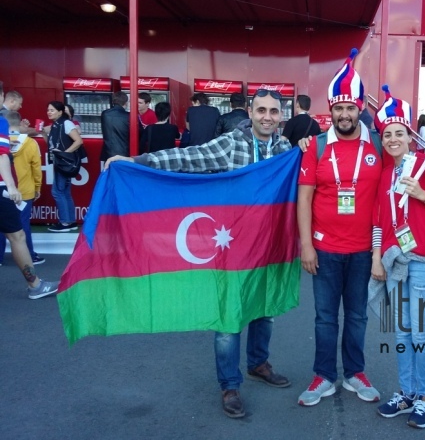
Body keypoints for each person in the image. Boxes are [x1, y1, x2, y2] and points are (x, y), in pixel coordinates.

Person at [106, 89, 292, 419]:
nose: (267, 116)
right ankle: (230, 385)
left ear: (281, 115)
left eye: (274, 111)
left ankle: (258, 364)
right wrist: (136, 161)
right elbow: (188, 157)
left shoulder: (284, 149)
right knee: (229, 317)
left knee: (265, 308)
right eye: (261, 110)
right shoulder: (232, 143)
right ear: (249, 112)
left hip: (267, 247)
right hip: (232, 248)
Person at [297, 49, 382, 407]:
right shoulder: (314, 147)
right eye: (338, 108)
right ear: (330, 110)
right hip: (325, 249)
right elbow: (304, 199)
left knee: (359, 315)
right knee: (325, 317)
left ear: (361, 108)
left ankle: (355, 372)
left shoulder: (380, 144)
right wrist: (306, 245)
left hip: (364, 249)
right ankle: (324, 376)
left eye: (351, 107)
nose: (344, 114)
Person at [369, 86, 425, 429]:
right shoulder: (385, 174)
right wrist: (377, 257)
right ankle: (406, 393)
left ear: (410, 135)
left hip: (424, 260)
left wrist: (422, 194)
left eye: (398, 133)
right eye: (387, 134)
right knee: (402, 333)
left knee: (421, 334)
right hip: (395, 260)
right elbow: (379, 220)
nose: (392, 139)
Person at [0, 113, 58, 297]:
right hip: (3, 189)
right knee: (17, 236)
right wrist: (10, 185)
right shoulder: (2, 123)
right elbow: (2, 156)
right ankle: (35, 285)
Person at [0, 111, 44, 266]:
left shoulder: (3, 140)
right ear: (19, 123)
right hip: (23, 190)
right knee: (22, 226)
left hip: (4, 188)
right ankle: (30, 256)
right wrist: (37, 187)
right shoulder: (31, 143)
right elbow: (36, 169)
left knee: (2, 225)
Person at [44, 101, 83, 232]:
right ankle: (70, 221)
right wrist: (43, 133)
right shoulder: (57, 124)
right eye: (48, 110)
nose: (49, 112)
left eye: (52, 110)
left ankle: (65, 222)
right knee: (64, 192)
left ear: (60, 112)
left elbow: (78, 141)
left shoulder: (65, 123)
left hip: (63, 163)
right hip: (61, 162)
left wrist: (64, 154)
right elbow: (51, 144)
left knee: (57, 191)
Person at [101, 91, 129, 162]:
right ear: (125, 102)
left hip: (108, 152)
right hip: (124, 153)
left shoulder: (105, 114)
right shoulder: (129, 116)